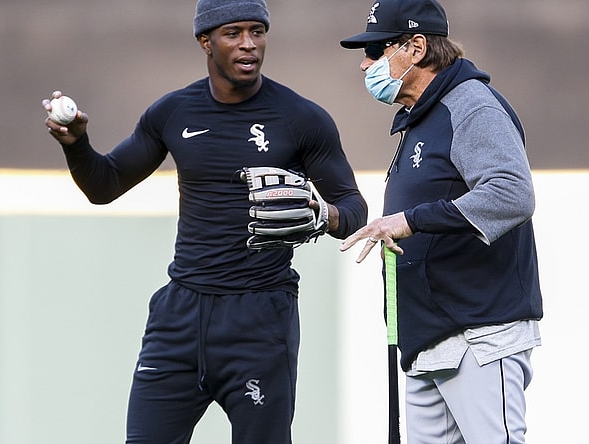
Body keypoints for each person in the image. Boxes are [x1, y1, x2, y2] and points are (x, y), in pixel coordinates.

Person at [41, 1, 368, 443]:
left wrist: (321, 215)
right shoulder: (173, 112)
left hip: (259, 316)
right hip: (180, 315)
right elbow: (105, 185)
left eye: (257, 31)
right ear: (205, 41)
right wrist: (77, 145)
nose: (249, 44)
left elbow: (353, 208)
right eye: (233, 33)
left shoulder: (301, 118)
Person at [338, 1, 543, 443]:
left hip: (479, 333)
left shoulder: (471, 106)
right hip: (429, 337)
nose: (364, 64)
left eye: (376, 50)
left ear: (415, 48)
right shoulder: (422, 117)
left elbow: (512, 194)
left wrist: (409, 222)